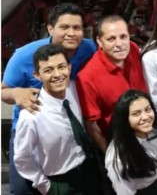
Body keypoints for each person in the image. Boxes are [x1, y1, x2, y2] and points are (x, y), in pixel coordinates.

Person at [1, 3, 96, 195]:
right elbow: (3, 90)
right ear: (50, 28)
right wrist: (16, 93)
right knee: (22, 190)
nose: (71, 33)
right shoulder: (24, 56)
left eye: (77, 28)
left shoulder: (88, 48)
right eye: (64, 27)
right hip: (32, 125)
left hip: (68, 120)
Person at [14, 44, 102, 195]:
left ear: (69, 67)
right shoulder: (31, 115)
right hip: (61, 181)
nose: (57, 74)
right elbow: (23, 158)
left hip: (90, 170)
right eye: (48, 70)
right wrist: (47, 187)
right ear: (37, 75)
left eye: (61, 67)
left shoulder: (75, 89)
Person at [76, 14, 147, 153]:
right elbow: (92, 125)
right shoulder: (86, 77)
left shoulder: (132, 49)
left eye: (123, 36)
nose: (119, 44)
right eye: (111, 39)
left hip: (148, 131)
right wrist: (110, 157)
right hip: (120, 143)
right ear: (99, 41)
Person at [105, 89, 157, 195]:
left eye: (148, 110)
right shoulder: (119, 158)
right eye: (136, 114)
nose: (145, 117)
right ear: (125, 119)